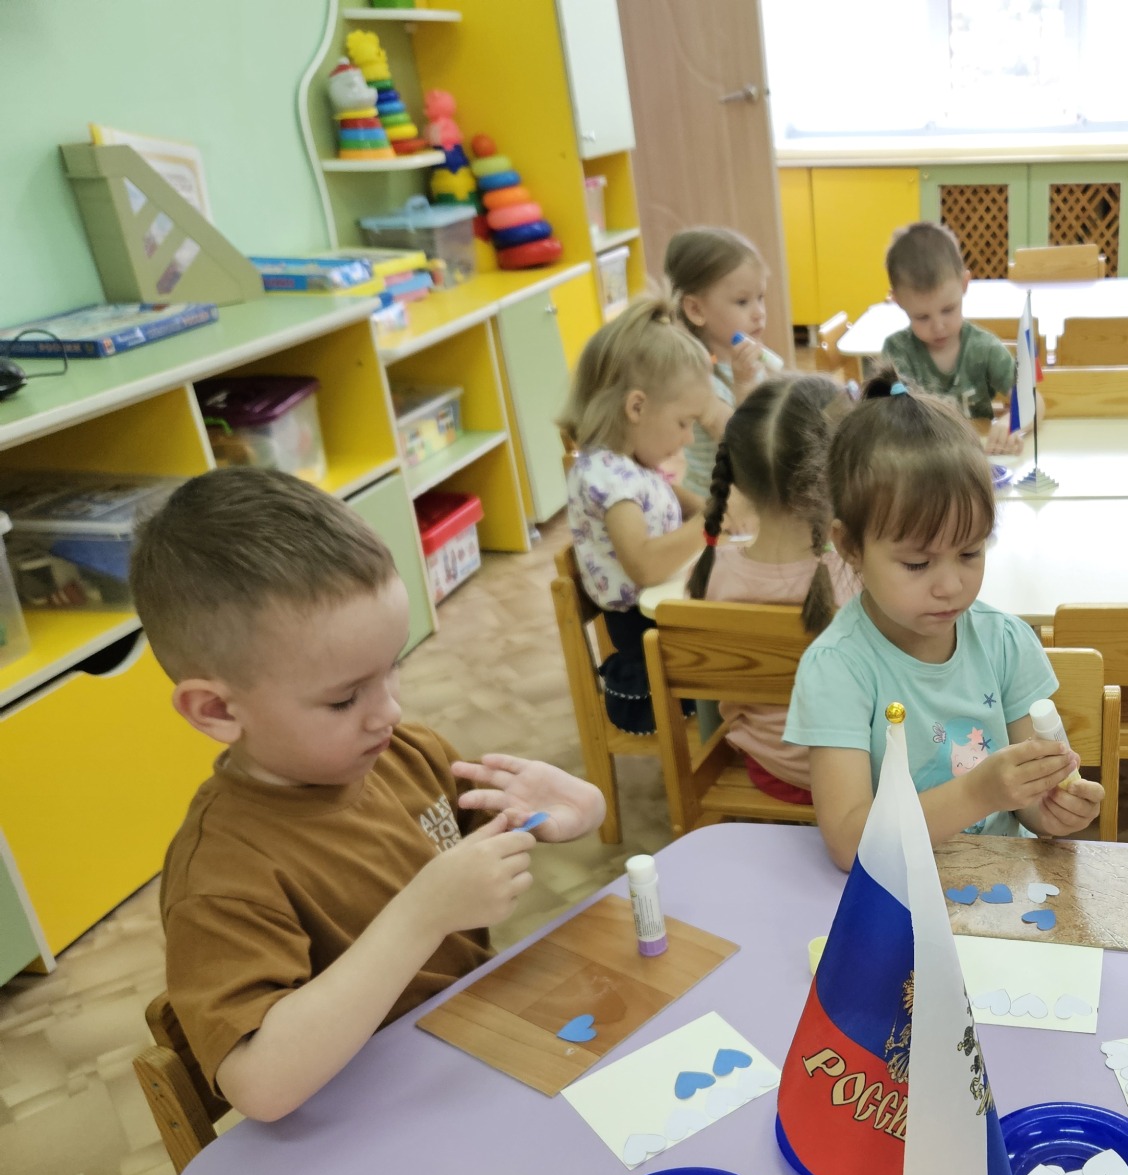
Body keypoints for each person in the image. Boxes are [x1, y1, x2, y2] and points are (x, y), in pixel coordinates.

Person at [130, 468, 605, 1122]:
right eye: (345, 698)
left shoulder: (403, 752)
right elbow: (260, 1087)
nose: (389, 711)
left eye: (393, 667)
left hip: (470, 1060)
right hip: (366, 1120)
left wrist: (568, 811)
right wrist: (421, 916)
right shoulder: (221, 876)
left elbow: (481, 853)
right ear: (216, 710)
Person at [784, 372, 1104, 870]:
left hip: (1001, 885)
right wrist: (978, 792)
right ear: (849, 546)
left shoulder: (1005, 642)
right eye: (918, 563)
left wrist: (1050, 809)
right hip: (895, 891)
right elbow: (848, 843)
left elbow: (1027, 803)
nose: (951, 585)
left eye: (970, 552)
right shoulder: (837, 668)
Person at [685, 372, 859, 804]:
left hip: (768, 770)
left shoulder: (711, 573)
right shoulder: (858, 577)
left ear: (739, 477)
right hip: (854, 777)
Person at [561, 294, 713, 734]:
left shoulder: (628, 464)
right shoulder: (609, 478)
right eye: (683, 423)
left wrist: (711, 508)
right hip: (647, 637)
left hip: (661, 616)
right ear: (637, 407)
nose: (688, 438)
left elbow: (669, 495)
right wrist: (710, 524)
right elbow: (644, 564)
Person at [880, 223, 1025, 456]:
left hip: (977, 460)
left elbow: (1032, 400)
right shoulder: (897, 352)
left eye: (948, 309)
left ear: (964, 284)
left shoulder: (983, 348)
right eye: (922, 317)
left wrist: (1011, 422)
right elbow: (883, 418)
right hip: (923, 463)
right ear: (899, 302)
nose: (938, 327)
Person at [664, 226, 786, 501]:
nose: (759, 313)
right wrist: (744, 384)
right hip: (715, 506)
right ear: (696, 310)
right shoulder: (697, 376)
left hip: (750, 497)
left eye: (760, 298)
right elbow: (742, 446)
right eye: (742, 302)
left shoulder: (745, 360)